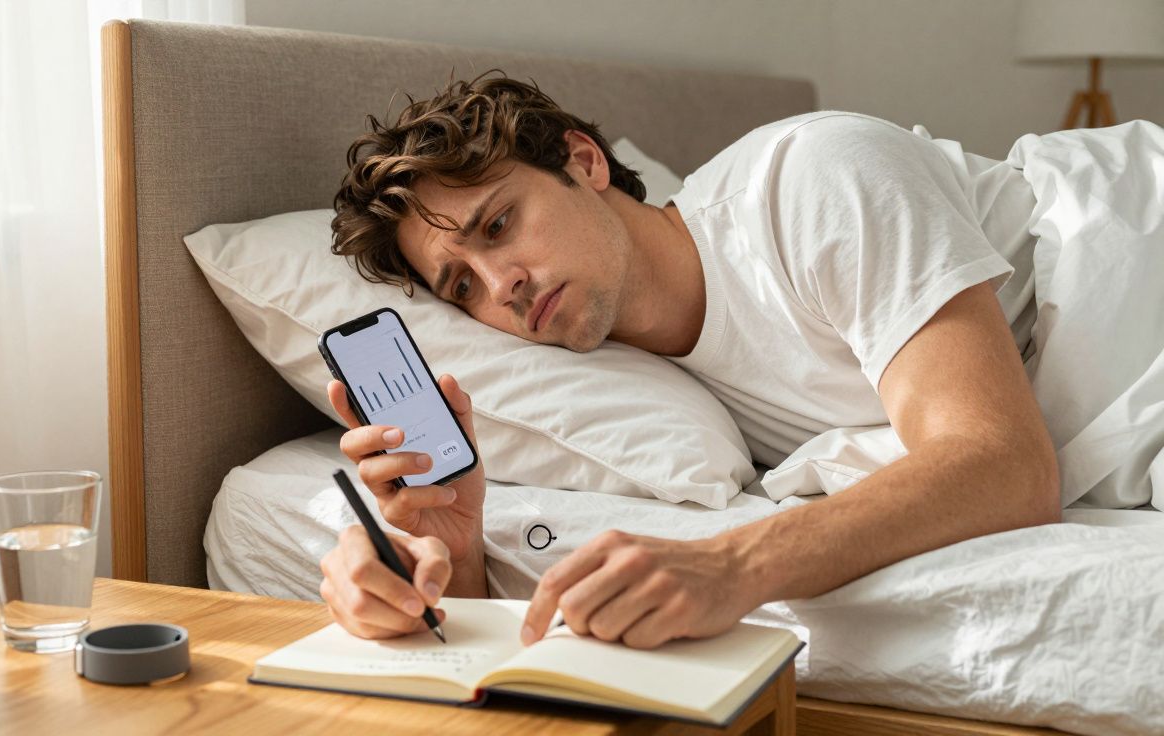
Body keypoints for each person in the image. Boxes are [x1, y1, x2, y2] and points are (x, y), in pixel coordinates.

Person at [317, 72, 1063, 649]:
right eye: (462, 286)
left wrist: (734, 565)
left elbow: (1008, 466)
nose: (501, 284)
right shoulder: (621, 388)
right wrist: (453, 561)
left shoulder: (810, 178)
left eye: (500, 223)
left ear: (583, 161)